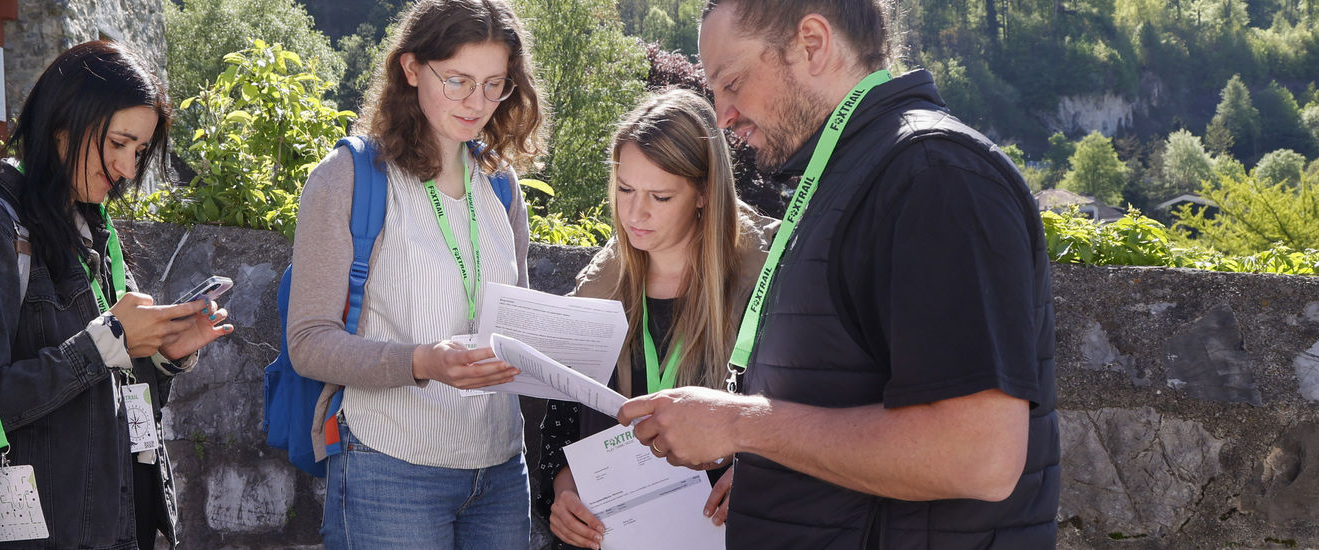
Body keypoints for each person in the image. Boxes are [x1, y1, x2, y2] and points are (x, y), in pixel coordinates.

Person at [615, 1, 1061, 548]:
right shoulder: (854, 177)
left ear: (813, 43)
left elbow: (977, 456)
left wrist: (740, 426)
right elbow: (839, 397)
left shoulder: (935, 177)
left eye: (731, 82)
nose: (723, 115)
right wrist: (771, 463)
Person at [0, 39, 232, 550]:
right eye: (118, 143)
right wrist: (105, 342)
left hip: (118, 525)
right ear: (63, 126)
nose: (128, 169)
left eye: (139, 151)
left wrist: (166, 355)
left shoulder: (96, 232)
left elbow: (105, 387)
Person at [283, 0, 548, 547]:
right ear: (410, 69)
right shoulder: (348, 179)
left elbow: (513, 322)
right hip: (389, 468)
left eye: (494, 83)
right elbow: (308, 343)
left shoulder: (501, 186)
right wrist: (422, 362)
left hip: (501, 470)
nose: (477, 103)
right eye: (457, 81)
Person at [535, 89, 778, 549]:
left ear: (704, 192)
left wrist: (762, 474)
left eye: (660, 196)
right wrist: (561, 493)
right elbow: (560, 431)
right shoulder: (597, 292)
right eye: (624, 189)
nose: (634, 212)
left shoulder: (767, 287)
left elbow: (803, 416)